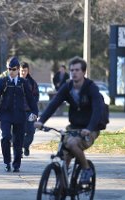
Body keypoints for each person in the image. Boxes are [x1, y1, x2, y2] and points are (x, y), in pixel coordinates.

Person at [35, 57, 103, 185]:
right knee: (63, 156)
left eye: (77, 70)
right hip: (73, 128)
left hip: (90, 129)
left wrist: (89, 128)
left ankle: (86, 169)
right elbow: (54, 104)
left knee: (72, 144)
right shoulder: (68, 87)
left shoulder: (91, 88)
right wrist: (41, 120)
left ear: (83, 72)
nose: (74, 73)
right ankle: (60, 190)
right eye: (72, 70)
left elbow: (97, 111)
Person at [0, 57, 38, 173]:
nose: (11, 71)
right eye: (9, 69)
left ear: (18, 70)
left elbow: (31, 99)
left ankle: (16, 164)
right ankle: (7, 162)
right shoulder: (3, 81)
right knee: (6, 137)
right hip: (5, 114)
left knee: (18, 140)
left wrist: (35, 112)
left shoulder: (23, 83)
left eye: (13, 69)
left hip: (19, 115)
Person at [19, 62, 39, 157]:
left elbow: (36, 96)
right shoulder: (15, 81)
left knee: (31, 131)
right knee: (19, 131)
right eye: (22, 70)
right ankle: (19, 149)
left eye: (25, 71)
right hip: (18, 111)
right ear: (19, 70)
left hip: (29, 111)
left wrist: (32, 104)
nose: (23, 72)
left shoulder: (32, 82)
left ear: (28, 71)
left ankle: (25, 146)